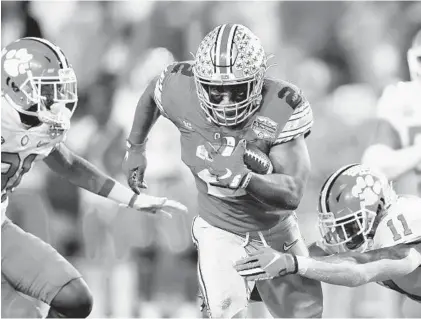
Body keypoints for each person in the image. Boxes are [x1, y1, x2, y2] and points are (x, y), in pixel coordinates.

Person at [123, 23, 322, 318]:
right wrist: (136, 147)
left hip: (275, 228)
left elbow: (293, 192)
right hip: (220, 228)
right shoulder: (181, 88)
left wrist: (247, 179)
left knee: (306, 315)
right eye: (216, 92)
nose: (227, 101)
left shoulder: (281, 104)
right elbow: (154, 90)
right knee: (227, 312)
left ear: (257, 81)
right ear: (200, 83)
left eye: (237, 89)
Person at [1, 37, 187, 318]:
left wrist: (132, 200)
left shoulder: (36, 125)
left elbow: (71, 165)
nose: (56, 103)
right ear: (15, 88)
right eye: (47, 93)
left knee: (75, 299)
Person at [235, 164, 421, 304]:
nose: (343, 236)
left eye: (350, 227)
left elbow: (360, 268)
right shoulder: (369, 235)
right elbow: (306, 264)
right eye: (338, 228)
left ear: (378, 208)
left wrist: (292, 263)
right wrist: (244, 285)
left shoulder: (403, 220)